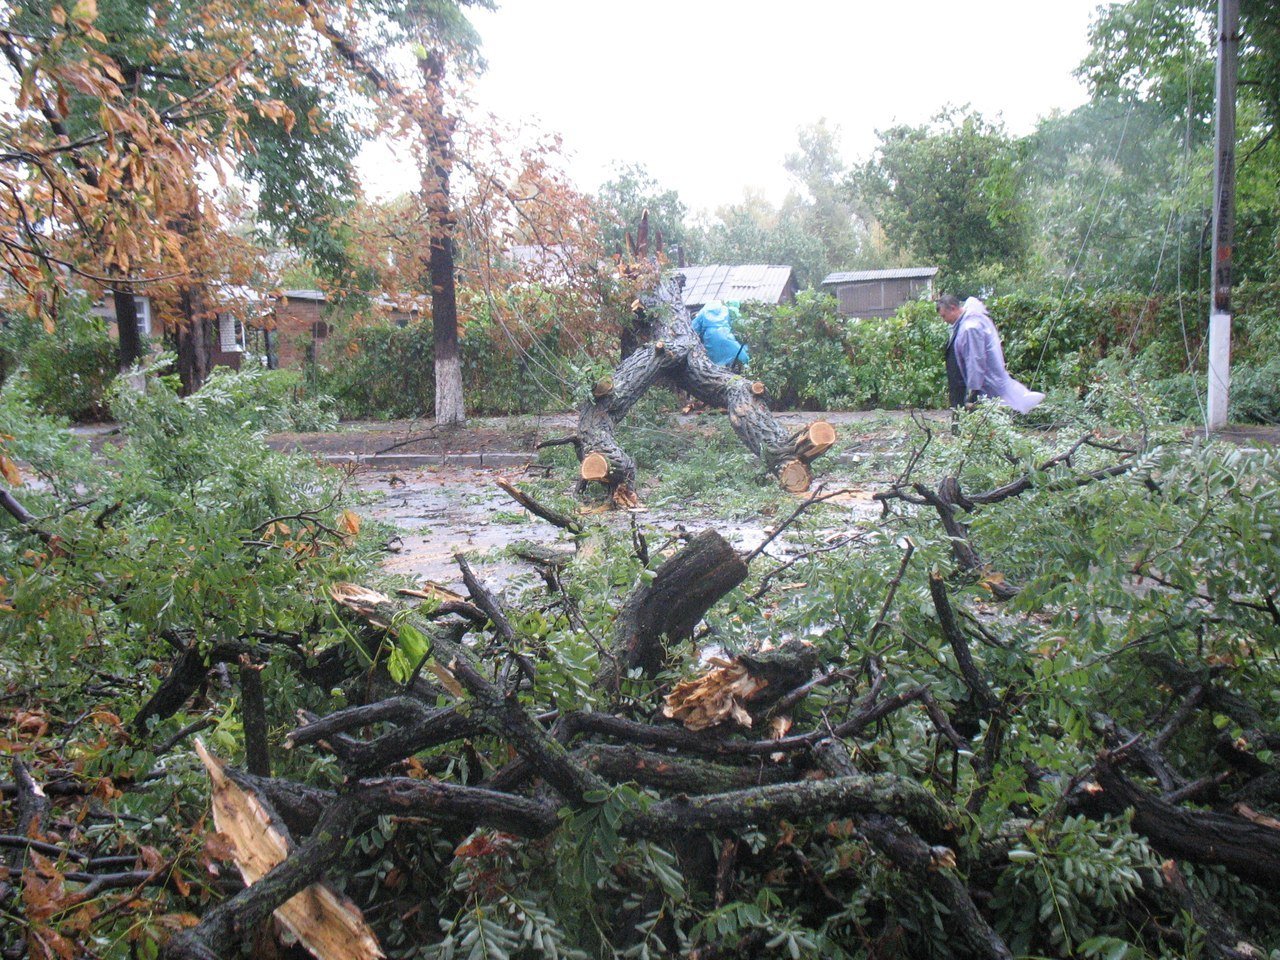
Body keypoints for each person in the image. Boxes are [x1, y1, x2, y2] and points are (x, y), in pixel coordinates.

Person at [937, 294, 1044, 414]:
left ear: (953, 308)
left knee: (982, 419)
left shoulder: (970, 328)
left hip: (983, 385)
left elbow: (975, 361)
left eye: (944, 316)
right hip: (983, 384)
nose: (944, 320)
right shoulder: (968, 322)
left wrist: (973, 391)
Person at [692, 299, 749, 370]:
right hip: (725, 333)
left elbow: (694, 328)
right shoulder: (725, 310)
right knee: (735, 352)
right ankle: (745, 367)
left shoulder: (704, 312)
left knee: (713, 359)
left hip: (710, 335)